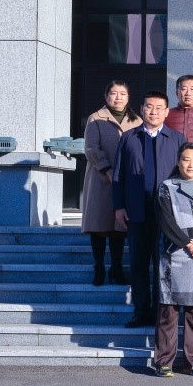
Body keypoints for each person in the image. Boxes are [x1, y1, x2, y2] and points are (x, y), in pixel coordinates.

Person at [113, 91, 185, 328]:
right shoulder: (129, 137)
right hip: (136, 211)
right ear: (142, 109)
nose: (153, 112)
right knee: (138, 264)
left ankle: (161, 313)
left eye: (158, 108)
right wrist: (119, 206)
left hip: (166, 213)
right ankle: (141, 311)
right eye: (149, 107)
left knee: (163, 263)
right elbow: (118, 175)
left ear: (166, 111)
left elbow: (185, 175)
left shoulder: (176, 139)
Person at [151, 143, 193, 377]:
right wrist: (188, 243)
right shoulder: (166, 187)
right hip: (173, 256)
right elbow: (166, 221)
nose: (191, 165)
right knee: (168, 313)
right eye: (186, 160)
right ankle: (163, 362)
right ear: (178, 162)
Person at [82, 80, 141, 286]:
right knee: (99, 224)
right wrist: (107, 169)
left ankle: (116, 268)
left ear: (128, 97)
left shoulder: (136, 120)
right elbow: (91, 148)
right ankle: (98, 268)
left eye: (122, 94)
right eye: (114, 93)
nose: (118, 98)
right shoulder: (96, 118)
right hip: (100, 178)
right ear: (106, 96)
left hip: (125, 180)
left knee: (119, 226)